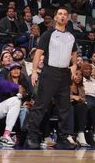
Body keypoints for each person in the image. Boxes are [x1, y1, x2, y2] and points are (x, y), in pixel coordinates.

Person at [23, 8, 78, 150]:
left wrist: (74, 65)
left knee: (64, 108)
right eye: (60, 14)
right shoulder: (49, 34)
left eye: (65, 14)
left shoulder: (71, 36)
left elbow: (74, 52)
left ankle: (62, 139)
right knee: (40, 106)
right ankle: (31, 138)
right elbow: (38, 53)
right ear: (55, 17)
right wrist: (34, 71)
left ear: (68, 18)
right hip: (49, 72)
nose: (63, 16)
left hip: (64, 74)